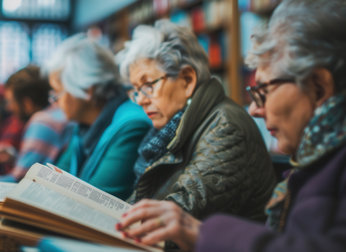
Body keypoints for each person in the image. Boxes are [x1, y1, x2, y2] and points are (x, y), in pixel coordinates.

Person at [116, 0, 346, 251]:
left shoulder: (226, 127)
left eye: (263, 91)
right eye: (136, 90)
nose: (254, 110)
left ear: (319, 87)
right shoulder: (315, 155)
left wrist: (199, 232)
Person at [115, 19, 275, 226]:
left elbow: (171, 222)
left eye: (148, 85)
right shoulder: (167, 131)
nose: (142, 100)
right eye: (136, 91)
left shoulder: (226, 127)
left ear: (187, 80)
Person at [47, 34, 152, 200]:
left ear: (87, 90)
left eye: (58, 92)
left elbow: (95, 199)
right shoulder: (83, 127)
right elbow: (51, 180)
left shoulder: (132, 125)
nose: (54, 102)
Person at [0, 65, 72, 181]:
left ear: (27, 103)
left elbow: (21, 178)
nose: (8, 108)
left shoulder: (42, 122)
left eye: (11, 102)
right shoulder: (57, 113)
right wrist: (16, 157)